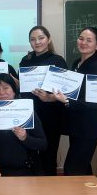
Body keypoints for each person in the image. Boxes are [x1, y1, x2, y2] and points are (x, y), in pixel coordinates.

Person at [52, 27, 97, 175]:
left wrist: (67, 101)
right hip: (77, 126)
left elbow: (95, 102)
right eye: (81, 38)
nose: (83, 43)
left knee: (73, 169)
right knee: (82, 168)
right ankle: (89, 190)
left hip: (88, 128)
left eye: (89, 40)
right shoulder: (77, 63)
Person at [19, 26, 67, 176]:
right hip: (31, 114)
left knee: (49, 154)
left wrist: (48, 97)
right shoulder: (26, 60)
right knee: (30, 153)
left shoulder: (58, 61)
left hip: (51, 115)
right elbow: (23, 87)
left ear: (49, 39)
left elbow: (65, 93)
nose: (37, 42)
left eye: (41, 38)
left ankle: (49, 187)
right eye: (33, 39)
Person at [0, 73, 47, 176]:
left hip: (26, 171)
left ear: (14, 91)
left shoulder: (27, 111)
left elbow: (43, 144)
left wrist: (25, 138)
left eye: (6, 88)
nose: (2, 93)